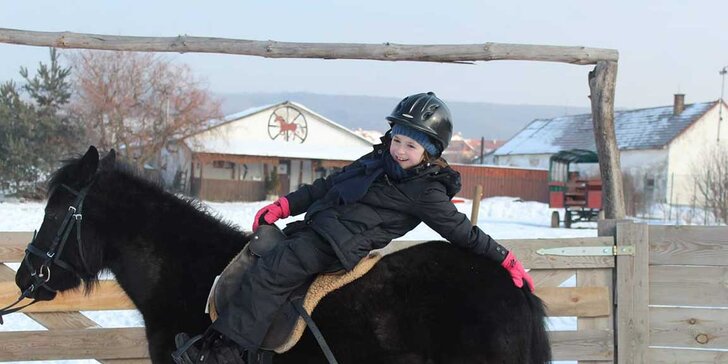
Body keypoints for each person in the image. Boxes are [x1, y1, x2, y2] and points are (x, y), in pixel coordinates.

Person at [172, 92, 534, 364]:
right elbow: (328, 186)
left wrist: (506, 259)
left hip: (337, 247)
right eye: (398, 140)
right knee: (265, 251)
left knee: (274, 270)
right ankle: (256, 341)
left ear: (429, 152)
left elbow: (463, 233)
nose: (400, 151)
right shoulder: (376, 161)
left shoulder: (426, 192)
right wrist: (285, 205)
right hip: (318, 228)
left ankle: (225, 352)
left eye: (411, 145)